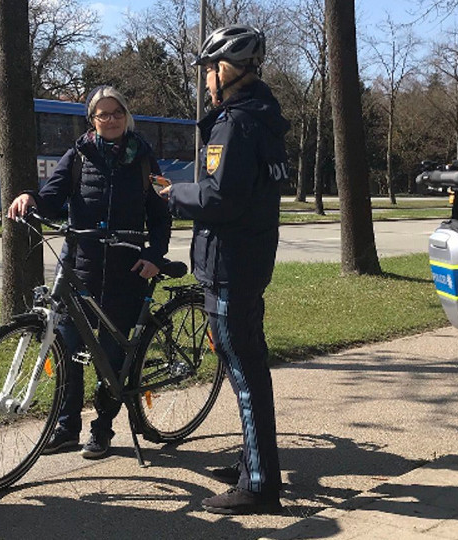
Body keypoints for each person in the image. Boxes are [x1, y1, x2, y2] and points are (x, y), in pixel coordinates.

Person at [159, 24, 290, 515]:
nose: (206, 79)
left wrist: (176, 194)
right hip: (249, 260)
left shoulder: (235, 122)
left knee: (245, 370)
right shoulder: (262, 116)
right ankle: (252, 463)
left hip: (232, 264)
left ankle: (258, 485)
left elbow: (221, 197)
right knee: (247, 366)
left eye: (210, 70)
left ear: (228, 72)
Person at [7, 85, 171, 460]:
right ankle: (66, 428)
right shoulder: (78, 156)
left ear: (126, 116)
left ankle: (103, 429)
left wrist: (154, 256)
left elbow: (161, 216)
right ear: (92, 120)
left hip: (125, 269)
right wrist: (30, 196)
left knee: (111, 356)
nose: (110, 120)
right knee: (66, 348)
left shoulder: (145, 159)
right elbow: (52, 197)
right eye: (103, 114)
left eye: (116, 113)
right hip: (79, 265)